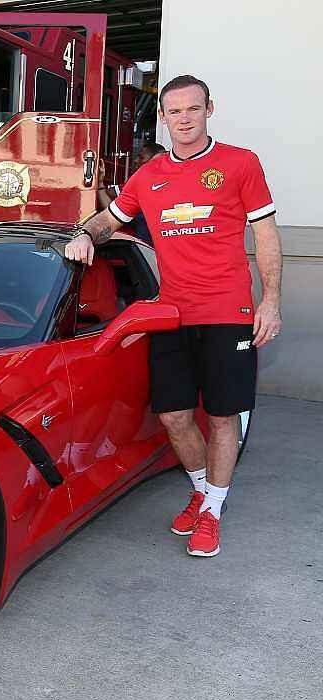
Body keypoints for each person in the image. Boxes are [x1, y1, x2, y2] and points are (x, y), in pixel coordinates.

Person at [64, 74, 283, 558]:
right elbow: (110, 219)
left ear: (209, 109)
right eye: (175, 111)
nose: (184, 119)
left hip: (228, 312)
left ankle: (212, 509)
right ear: (163, 117)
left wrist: (270, 301)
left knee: (223, 418)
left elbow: (265, 234)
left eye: (193, 109)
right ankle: (203, 490)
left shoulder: (240, 163)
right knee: (174, 416)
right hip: (171, 313)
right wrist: (84, 234)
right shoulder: (150, 175)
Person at [97, 142, 167, 243]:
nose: (135, 160)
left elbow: (112, 208)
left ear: (154, 161)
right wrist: (100, 184)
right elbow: (115, 211)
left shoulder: (146, 183)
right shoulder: (139, 183)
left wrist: (99, 185)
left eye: (141, 157)